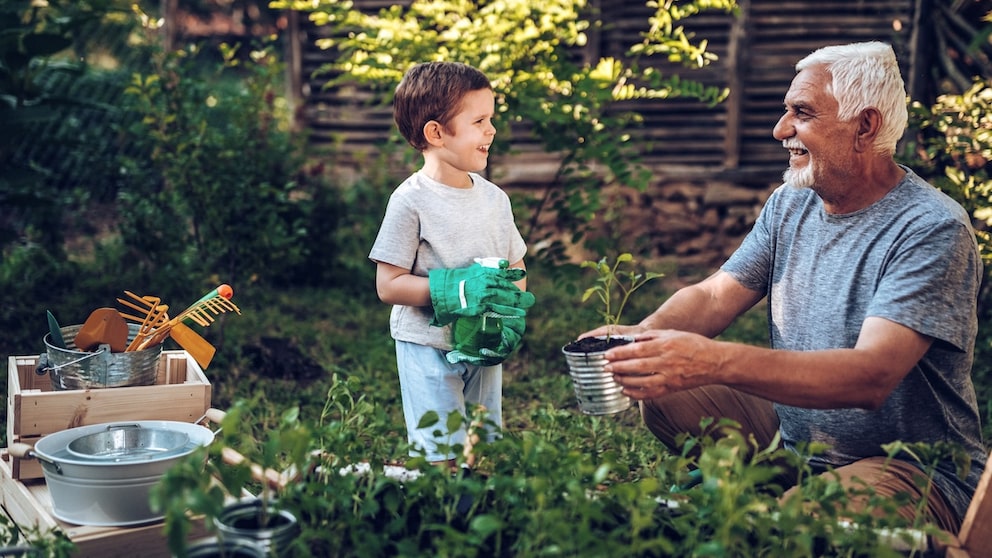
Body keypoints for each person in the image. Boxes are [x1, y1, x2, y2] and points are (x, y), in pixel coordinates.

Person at [582, 41, 986, 532]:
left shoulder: (931, 227)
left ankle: (795, 510)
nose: (781, 129)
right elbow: (713, 295)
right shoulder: (791, 204)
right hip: (800, 445)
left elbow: (870, 376)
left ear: (866, 126)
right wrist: (637, 336)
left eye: (802, 113)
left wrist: (711, 359)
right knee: (664, 387)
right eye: (784, 111)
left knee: (796, 519)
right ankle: (787, 489)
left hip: (915, 467)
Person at [369, 61, 535, 467]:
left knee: (479, 446)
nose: (491, 130)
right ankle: (439, 516)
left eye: (491, 119)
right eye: (479, 120)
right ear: (436, 133)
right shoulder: (410, 201)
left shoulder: (496, 199)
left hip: (483, 340)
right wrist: (457, 289)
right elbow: (388, 286)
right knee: (440, 451)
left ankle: (471, 514)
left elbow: (517, 269)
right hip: (427, 345)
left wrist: (509, 305)